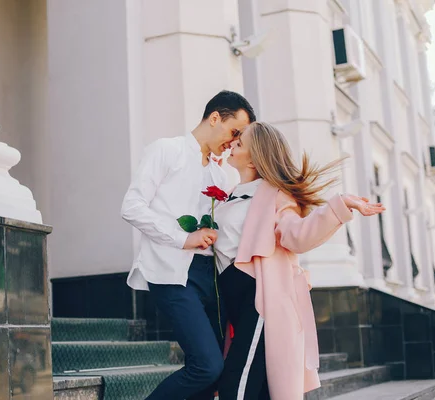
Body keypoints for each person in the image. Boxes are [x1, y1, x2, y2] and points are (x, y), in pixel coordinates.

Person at [213, 122, 385, 399]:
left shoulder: (274, 196)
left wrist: (340, 205)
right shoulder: (231, 196)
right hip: (230, 299)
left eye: (240, 143)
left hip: (257, 300)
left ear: (256, 157)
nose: (232, 144)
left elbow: (298, 233)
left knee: (238, 383)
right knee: (255, 386)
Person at [121, 91, 256, 400]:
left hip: (214, 280)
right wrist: (183, 238)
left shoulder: (222, 175)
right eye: (234, 132)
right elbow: (132, 206)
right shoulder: (166, 151)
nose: (234, 141)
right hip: (172, 274)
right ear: (214, 118)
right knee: (207, 366)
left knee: (216, 372)